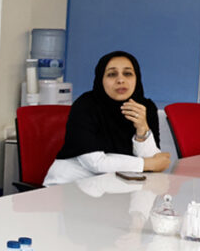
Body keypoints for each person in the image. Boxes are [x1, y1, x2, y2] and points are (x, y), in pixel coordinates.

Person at [44, 51, 170, 186]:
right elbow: (96, 163)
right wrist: (147, 164)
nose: (120, 80)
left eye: (128, 73)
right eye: (112, 74)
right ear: (101, 79)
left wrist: (142, 129)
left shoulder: (145, 107)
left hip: (118, 188)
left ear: (137, 78)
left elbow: (155, 164)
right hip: (68, 187)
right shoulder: (86, 105)